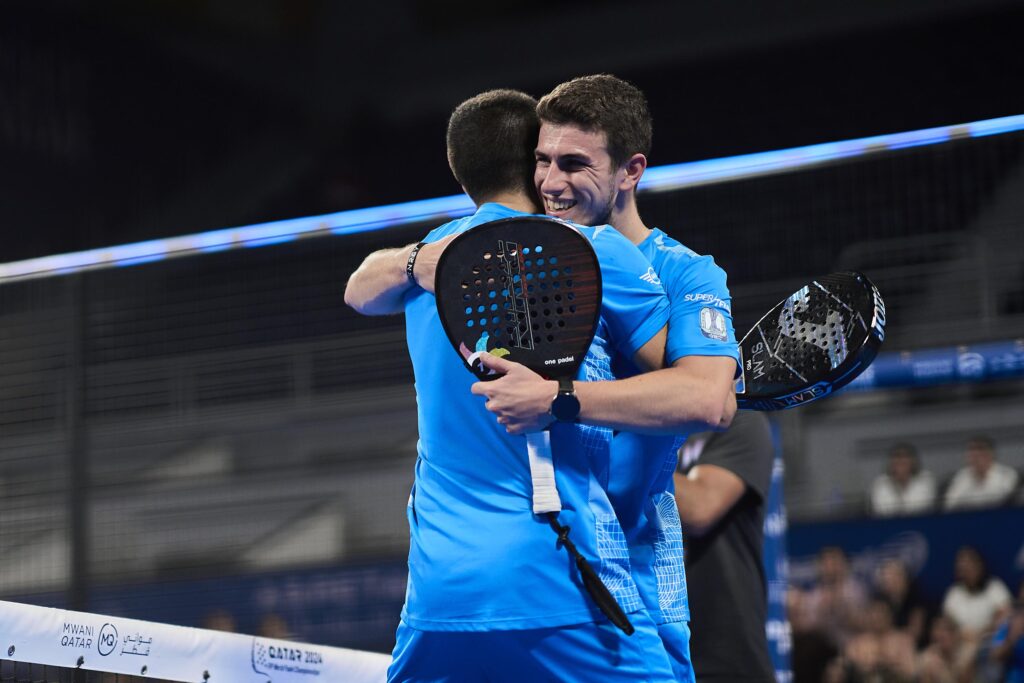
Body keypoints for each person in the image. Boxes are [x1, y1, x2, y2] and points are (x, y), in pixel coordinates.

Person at [345, 89, 680, 681]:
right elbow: (691, 386)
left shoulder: (425, 265)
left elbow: (355, 290)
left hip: (439, 594)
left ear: (461, 172)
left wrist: (409, 261)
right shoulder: (593, 249)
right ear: (536, 161)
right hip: (558, 580)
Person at [471, 74, 740, 681]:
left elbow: (707, 399)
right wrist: (410, 259)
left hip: (636, 570)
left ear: (630, 171)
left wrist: (557, 400)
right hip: (537, 565)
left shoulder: (687, 274)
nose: (550, 182)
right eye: (542, 161)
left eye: (573, 164)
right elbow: (365, 286)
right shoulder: (524, 258)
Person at [673, 410, 776, 681]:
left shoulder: (741, 420)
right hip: (652, 640)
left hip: (725, 651)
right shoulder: (640, 429)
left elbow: (701, 507)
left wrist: (626, 458)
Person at [941, 545, 1012, 643]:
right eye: (963, 569)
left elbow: (1006, 615)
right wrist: (961, 634)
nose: (968, 572)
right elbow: (947, 623)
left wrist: (983, 633)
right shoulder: (953, 593)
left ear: (980, 566)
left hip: (990, 642)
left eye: (971, 566)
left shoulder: (995, 587)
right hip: (960, 643)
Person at [943, 435, 1019, 511]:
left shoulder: (1007, 474)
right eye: (971, 451)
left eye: (980, 450)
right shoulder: (961, 477)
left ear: (991, 454)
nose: (975, 456)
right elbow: (949, 504)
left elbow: (1006, 501)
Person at [869, 442, 937, 516]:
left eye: (905, 457)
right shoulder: (880, 483)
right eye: (897, 456)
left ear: (913, 461)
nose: (900, 460)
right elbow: (880, 511)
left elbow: (923, 507)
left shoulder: (925, 479)